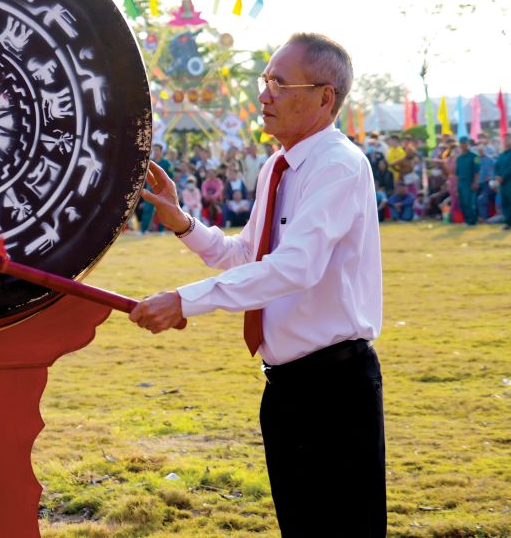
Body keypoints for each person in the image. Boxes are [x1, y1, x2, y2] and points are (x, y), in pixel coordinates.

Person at [133, 33, 385, 536]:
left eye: (280, 83)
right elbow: (247, 255)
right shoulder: (277, 166)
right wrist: (183, 222)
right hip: (285, 385)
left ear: (324, 97)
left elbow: (294, 268)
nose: (264, 94)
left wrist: (184, 301)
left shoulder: (338, 164)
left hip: (334, 388)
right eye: (265, 80)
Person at [454, 136, 479, 226]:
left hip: (470, 182)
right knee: (462, 202)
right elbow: (457, 173)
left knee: (469, 202)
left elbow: (477, 171)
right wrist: (457, 186)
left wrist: (475, 182)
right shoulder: (459, 158)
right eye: (461, 143)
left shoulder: (475, 156)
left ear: (468, 144)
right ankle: (467, 220)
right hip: (461, 182)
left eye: (465, 143)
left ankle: (472, 221)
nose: (463, 145)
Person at [494, 134, 511, 230]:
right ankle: (507, 222)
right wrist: (497, 176)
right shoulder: (502, 155)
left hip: (509, 181)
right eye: (504, 140)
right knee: (505, 202)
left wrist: (503, 177)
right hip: (503, 183)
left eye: (508, 139)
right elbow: (496, 166)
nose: (505, 141)